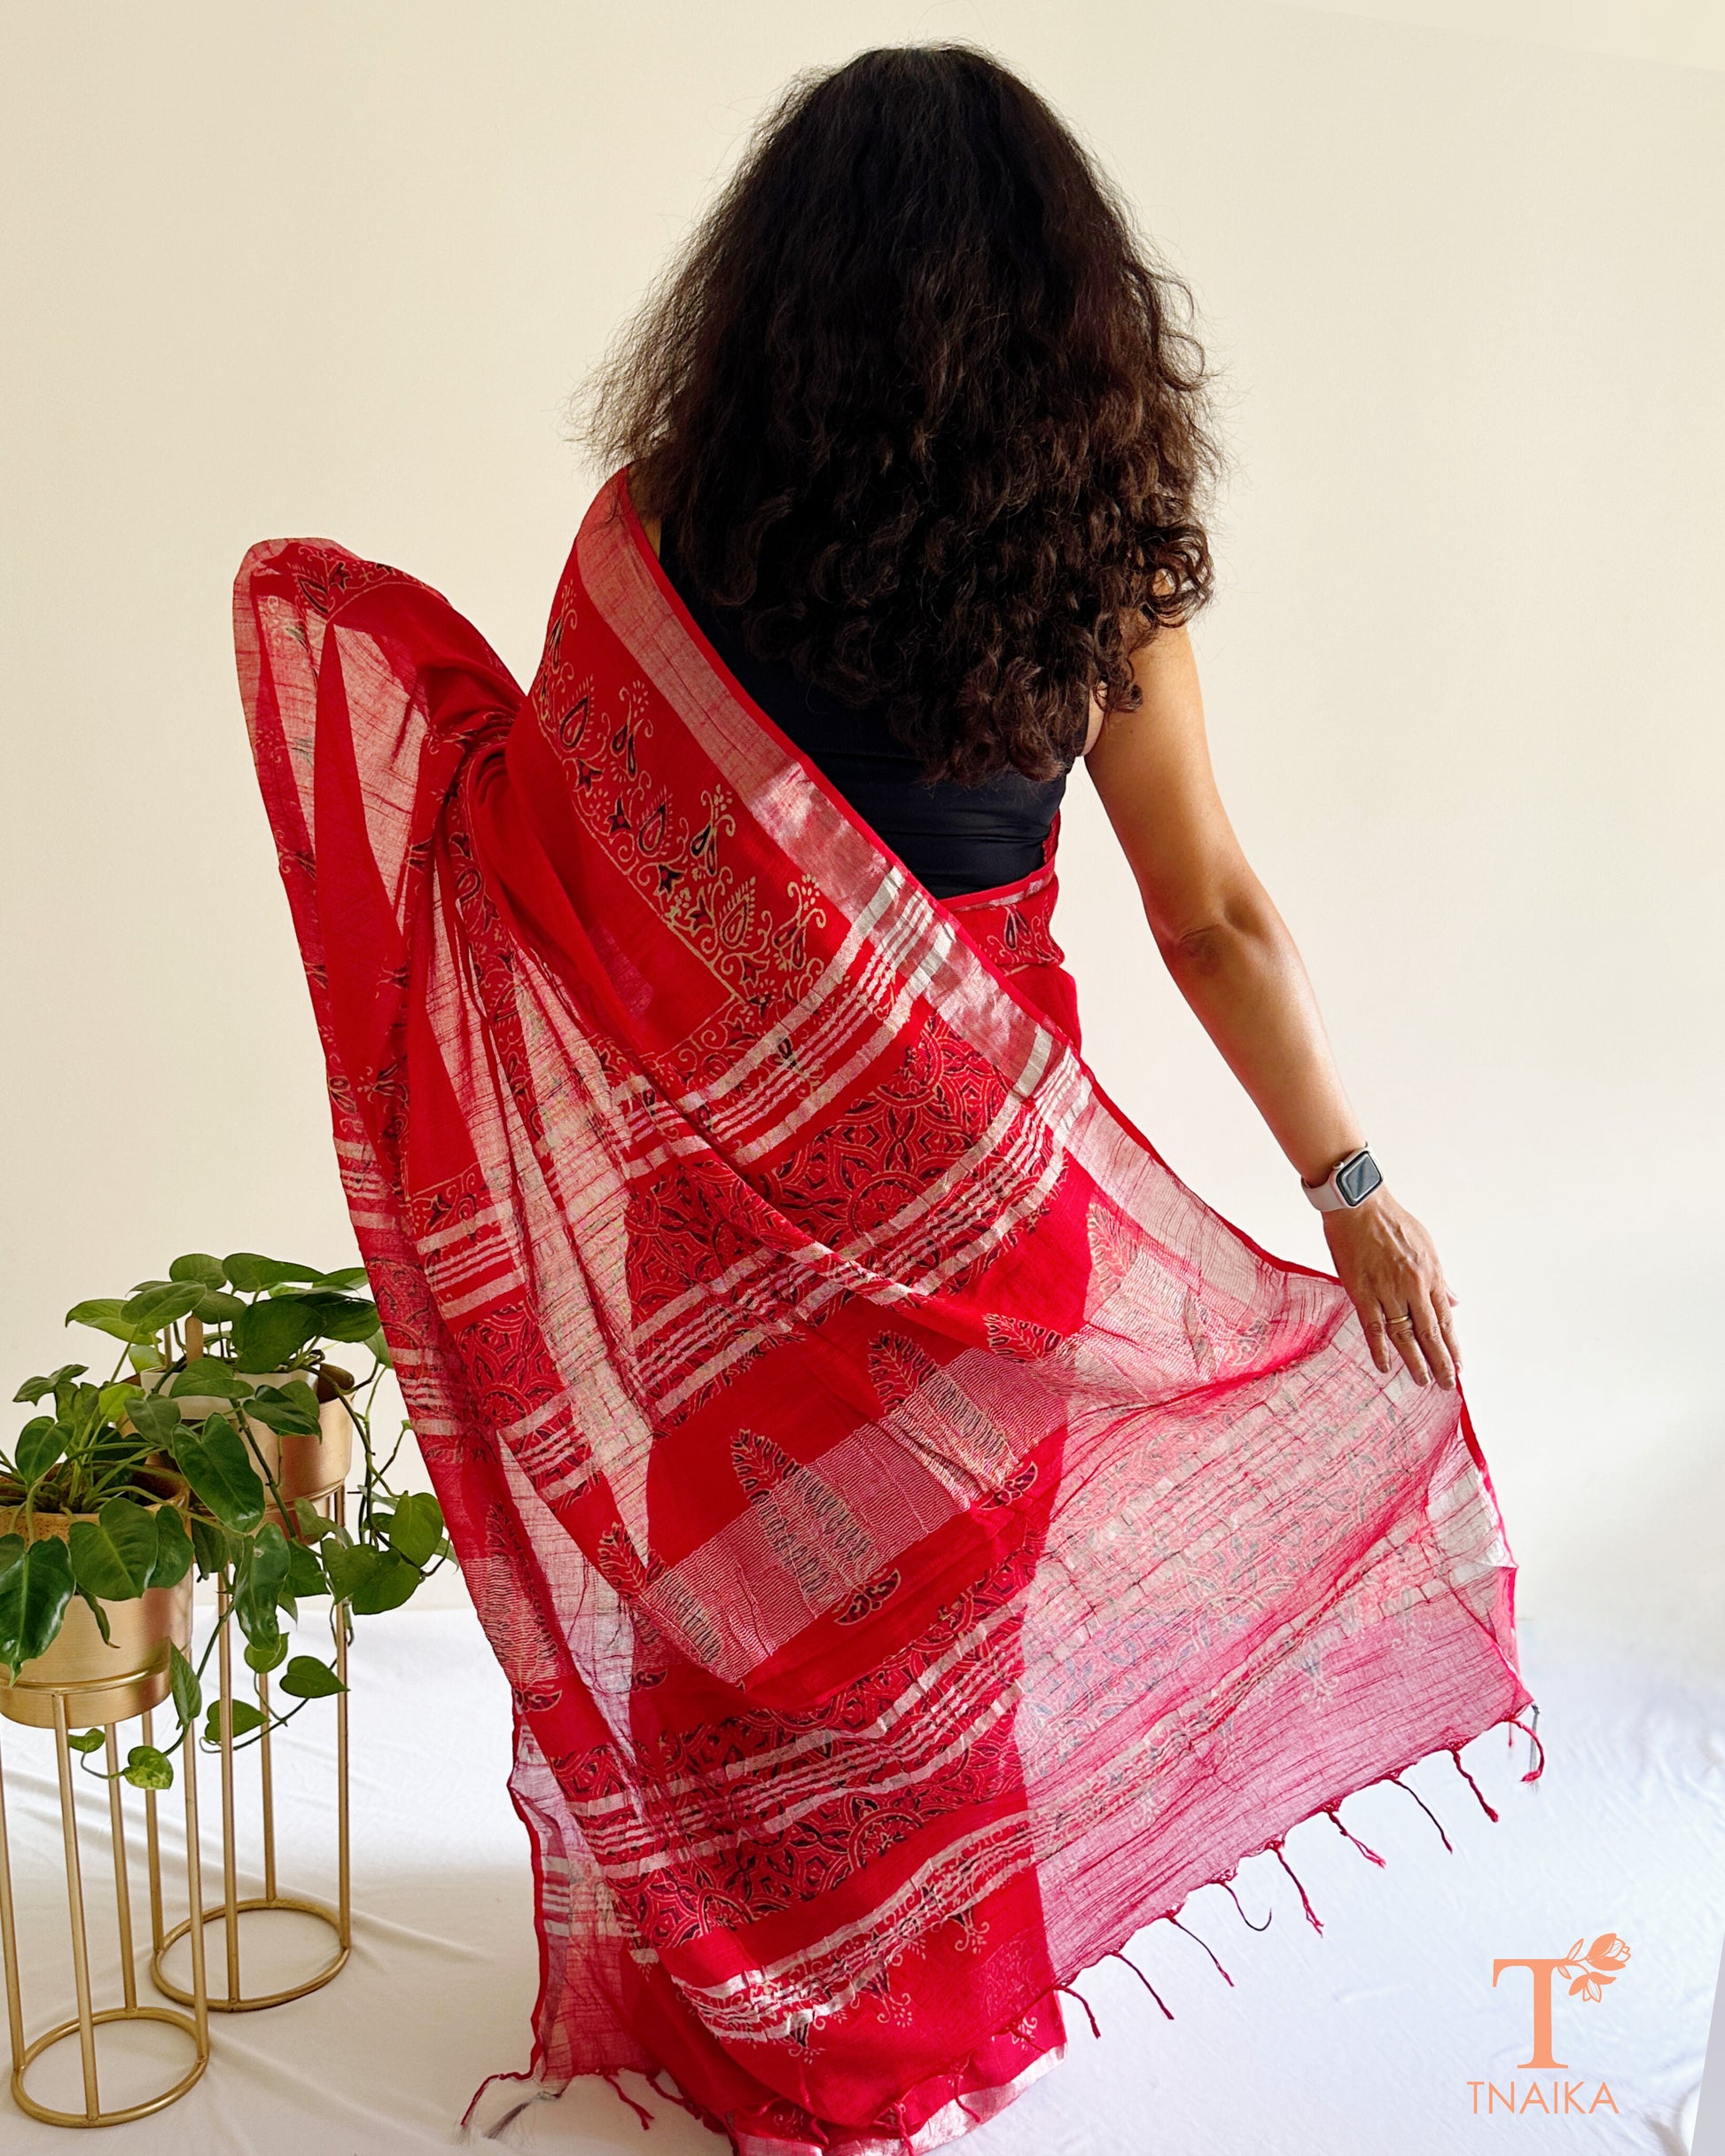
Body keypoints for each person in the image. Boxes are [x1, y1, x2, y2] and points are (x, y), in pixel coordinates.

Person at [237, 42, 1529, 2156]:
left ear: (766, 295)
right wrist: (1347, 1177)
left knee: (740, 1599)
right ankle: (885, 2022)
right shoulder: (1094, 563)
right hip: (981, 1188)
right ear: (1068, 307)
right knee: (930, 1609)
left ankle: (742, 2008)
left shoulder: (655, 545)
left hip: (713, 1195)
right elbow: (1207, 913)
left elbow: (574, 877)